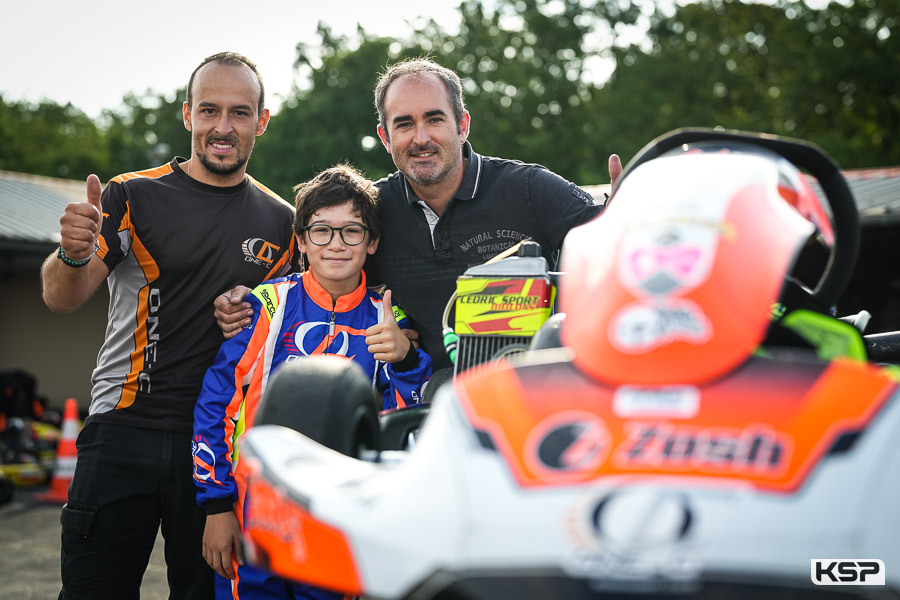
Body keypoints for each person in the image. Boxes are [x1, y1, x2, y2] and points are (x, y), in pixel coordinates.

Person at [40, 51, 297, 600]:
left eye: (239, 112)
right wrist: (71, 253)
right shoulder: (131, 194)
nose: (222, 128)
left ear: (262, 120)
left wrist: (252, 310)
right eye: (209, 111)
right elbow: (63, 298)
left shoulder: (283, 222)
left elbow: (287, 325)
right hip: (120, 432)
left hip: (216, 451)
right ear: (187, 115)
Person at [216, 57, 621, 374]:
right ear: (385, 137)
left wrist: (625, 218)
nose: (421, 138)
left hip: (536, 384)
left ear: (462, 125)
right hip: (429, 394)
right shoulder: (372, 210)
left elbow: (617, 253)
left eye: (434, 119)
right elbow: (319, 276)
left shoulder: (531, 189)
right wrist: (249, 299)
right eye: (404, 124)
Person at [193, 164, 431, 599]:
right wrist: (216, 505)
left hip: (344, 522)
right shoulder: (266, 304)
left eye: (352, 231)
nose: (336, 244)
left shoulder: (391, 315)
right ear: (301, 241)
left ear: (372, 242)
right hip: (256, 518)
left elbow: (409, 421)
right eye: (321, 230)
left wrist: (407, 357)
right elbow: (217, 404)